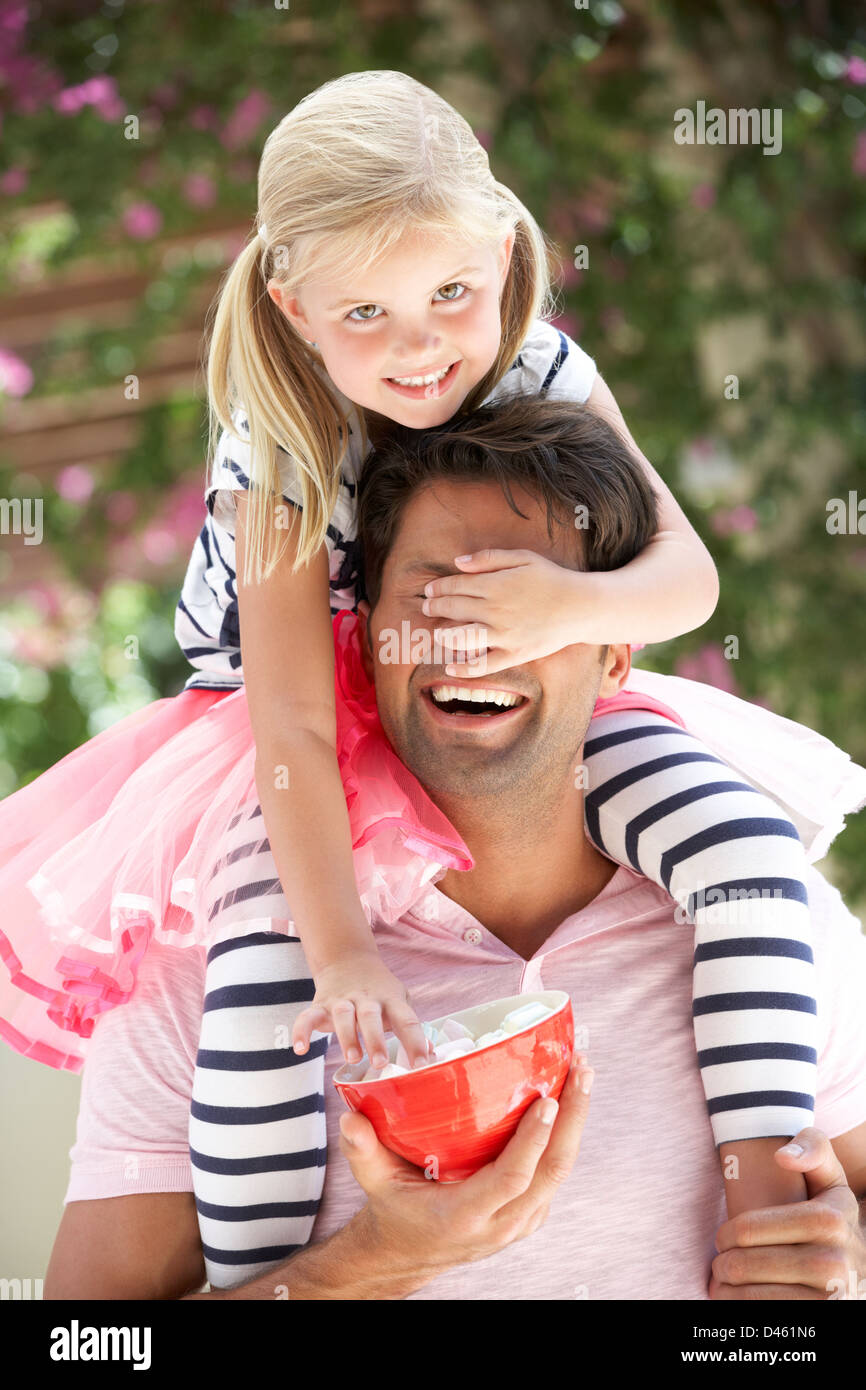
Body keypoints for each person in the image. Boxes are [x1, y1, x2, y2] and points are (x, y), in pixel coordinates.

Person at [3, 72, 865, 1279]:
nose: (420, 348)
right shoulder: (278, 448)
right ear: (291, 305)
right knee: (269, 964)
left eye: (452, 293)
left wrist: (567, 602)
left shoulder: (542, 368)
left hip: (537, 662)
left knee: (742, 848)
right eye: (366, 313)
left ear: (507, 256)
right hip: (294, 727)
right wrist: (346, 952)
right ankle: (260, 1261)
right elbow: (295, 725)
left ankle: (763, 1198)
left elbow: (685, 578)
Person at [43, 392, 866, 1300]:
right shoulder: (206, 967)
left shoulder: (772, 926)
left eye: (531, 603)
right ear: (359, 644)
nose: (473, 640)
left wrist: (848, 1258)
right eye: (433, 593)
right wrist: (366, 1265)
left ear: (615, 656)